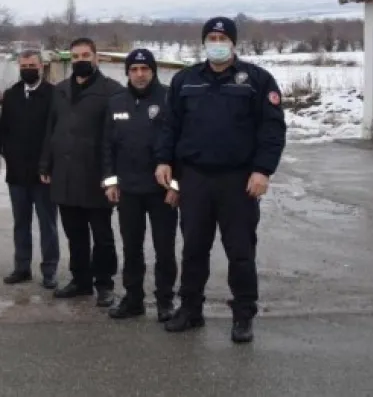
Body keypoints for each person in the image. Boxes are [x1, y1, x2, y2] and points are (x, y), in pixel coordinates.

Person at [156, 17, 286, 344]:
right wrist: (164, 162)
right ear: (204, 42)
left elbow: (272, 130)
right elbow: (169, 127)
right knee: (194, 250)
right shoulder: (185, 80)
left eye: (222, 37)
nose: (217, 41)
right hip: (195, 178)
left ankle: (243, 315)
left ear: (233, 42)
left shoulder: (256, 80)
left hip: (238, 181)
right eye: (211, 37)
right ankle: (190, 310)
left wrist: (262, 171)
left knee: (240, 252)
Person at [39, 38, 124, 307]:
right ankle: (81, 280)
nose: (80, 60)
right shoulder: (61, 90)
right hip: (64, 175)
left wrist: (113, 177)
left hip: (96, 177)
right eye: (75, 57)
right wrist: (45, 164)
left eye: (86, 55)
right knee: (74, 234)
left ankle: (104, 284)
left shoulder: (112, 91)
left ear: (96, 58)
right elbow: (50, 130)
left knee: (102, 236)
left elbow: (117, 139)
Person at [102, 49, 178, 322]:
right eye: (134, 69)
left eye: (145, 68)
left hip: (162, 191)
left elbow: (180, 146)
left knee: (164, 250)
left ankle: (165, 301)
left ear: (153, 71)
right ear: (127, 73)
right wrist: (110, 182)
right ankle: (133, 299)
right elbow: (107, 147)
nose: (140, 74)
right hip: (129, 191)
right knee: (131, 249)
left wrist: (176, 186)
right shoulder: (116, 102)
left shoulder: (170, 98)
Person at [0, 49, 59, 289]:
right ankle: (22, 267)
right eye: (23, 66)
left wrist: (48, 165)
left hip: (44, 175)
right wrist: (9, 156)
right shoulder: (11, 94)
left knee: (48, 225)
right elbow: (4, 130)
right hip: (17, 174)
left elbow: (55, 133)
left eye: (32, 65)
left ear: (41, 66)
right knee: (20, 223)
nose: (27, 70)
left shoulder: (54, 95)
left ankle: (49, 270)